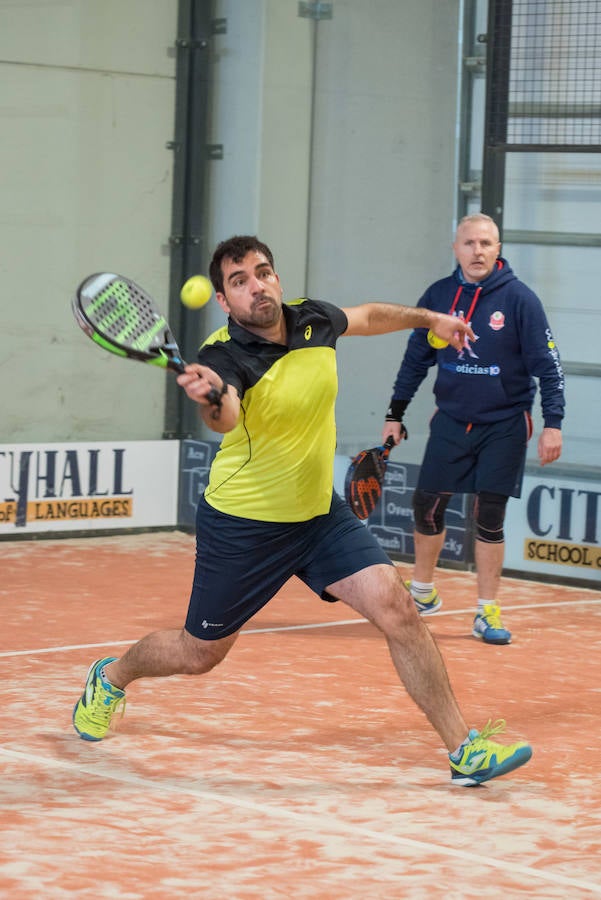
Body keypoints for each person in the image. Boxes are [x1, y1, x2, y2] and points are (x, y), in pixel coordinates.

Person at [73, 234, 532, 785]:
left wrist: (430, 317)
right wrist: (213, 397)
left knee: (399, 609)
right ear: (224, 300)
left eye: (262, 272)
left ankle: (464, 750)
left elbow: (367, 315)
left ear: (277, 278)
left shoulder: (313, 320)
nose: (255, 286)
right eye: (238, 282)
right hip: (245, 526)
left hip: (319, 516)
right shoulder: (224, 356)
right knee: (198, 654)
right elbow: (225, 415)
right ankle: (112, 676)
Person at [382, 214, 565, 645]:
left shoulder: (521, 300)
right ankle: (423, 593)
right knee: (426, 506)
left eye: (486, 243)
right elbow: (415, 362)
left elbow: (550, 369)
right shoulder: (439, 296)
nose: (477, 251)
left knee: (489, 517)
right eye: (469, 243)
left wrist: (553, 423)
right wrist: (395, 414)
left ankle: (487, 612)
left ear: (498, 248)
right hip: (450, 420)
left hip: (504, 423)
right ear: (455, 248)